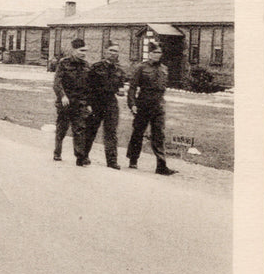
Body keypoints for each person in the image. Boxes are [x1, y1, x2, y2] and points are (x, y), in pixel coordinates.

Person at [126, 41, 177, 175]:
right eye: (155, 52)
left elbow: (162, 87)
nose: (157, 55)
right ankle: (133, 159)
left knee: (159, 134)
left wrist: (161, 102)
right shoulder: (141, 68)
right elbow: (132, 88)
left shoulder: (164, 69)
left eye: (159, 52)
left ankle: (161, 165)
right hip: (143, 104)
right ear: (149, 54)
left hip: (158, 106)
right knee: (138, 132)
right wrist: (132, 104)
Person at [84, 41, 126, 169]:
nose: (114, 53)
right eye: (111, 50)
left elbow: (120, 87)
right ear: (105, 52)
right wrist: (88, 104)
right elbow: (87, 86)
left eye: (116, 51)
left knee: (111, 132)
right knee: (91, 130)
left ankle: (112, 161)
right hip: (96, 102)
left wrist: (121, 91)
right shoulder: (96, 67)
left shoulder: (120, 70)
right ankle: (84, 155)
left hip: (110, 102)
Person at [52, 38, 92, 166]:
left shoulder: (86, 65)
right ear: (74, 50)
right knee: (62, 128)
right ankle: (57, 152)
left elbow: (89, 87)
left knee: (79, 129)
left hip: (80, 102)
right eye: (81, 50)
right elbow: (57, 83)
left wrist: (89, 103)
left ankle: (80, 158)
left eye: (85, 51)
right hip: (66, 102)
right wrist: (62, 96)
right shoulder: (64, 63)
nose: (84, 53)